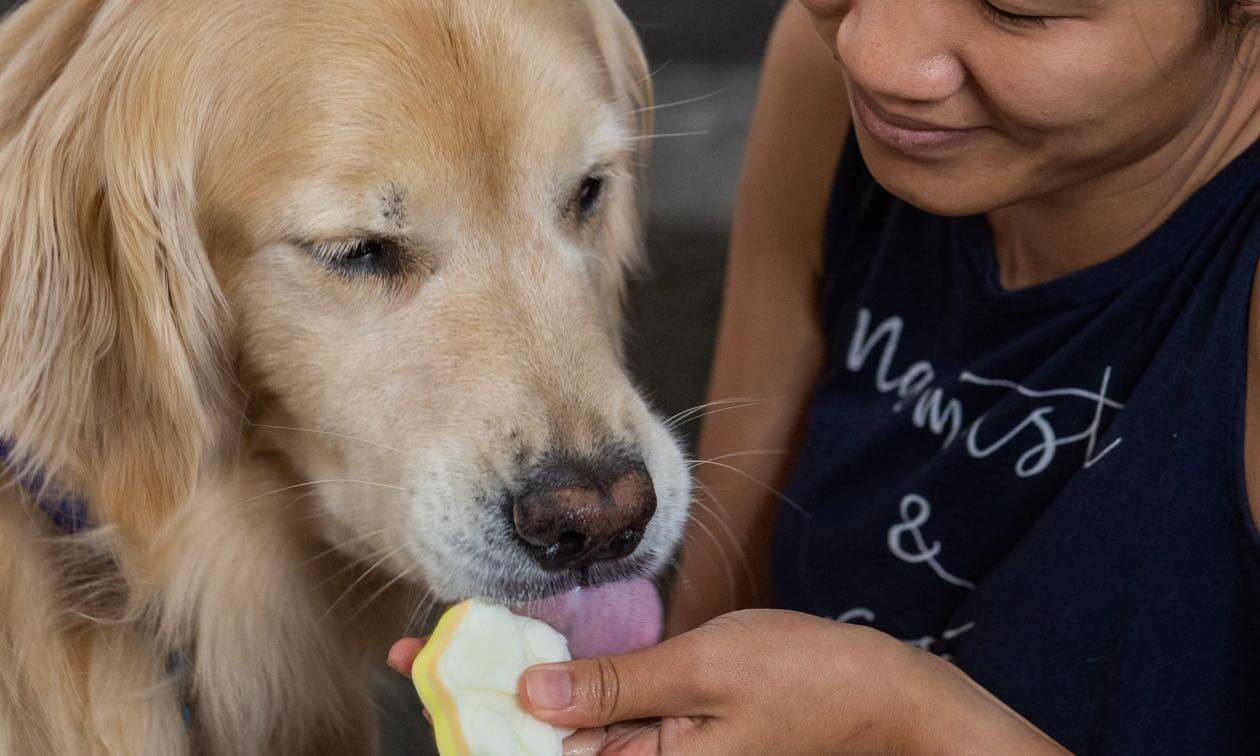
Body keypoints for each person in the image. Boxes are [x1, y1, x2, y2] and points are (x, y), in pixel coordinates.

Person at [389, 0, 1260, 751]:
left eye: (1018, 6)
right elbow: (719, 608)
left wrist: (910, 726)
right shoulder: (837, 85)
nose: (875, 52)